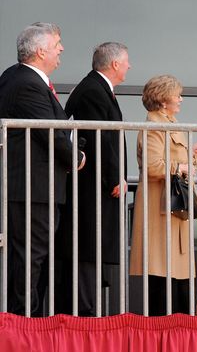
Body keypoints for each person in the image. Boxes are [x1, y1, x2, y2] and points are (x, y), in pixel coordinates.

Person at [0, 23, 84, 316]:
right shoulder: (27, 83)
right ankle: (23, 324)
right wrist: (76, 157)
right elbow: (50, 134)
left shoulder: (18, 77)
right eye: (57, 43)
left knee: (29, 257)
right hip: (32, 190)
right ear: (40, 51)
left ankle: (24, 320)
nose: (61, 49)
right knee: (30, 258)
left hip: (33, 189)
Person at [54, 42, 130, 316]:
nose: (129, 66)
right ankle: (83, 313)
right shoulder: (93, 91)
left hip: (94, 184)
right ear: (115, 64)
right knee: (87, 245)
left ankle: (86, 309)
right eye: (127, 61)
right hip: (91, 187)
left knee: (91, 246)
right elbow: (100, 139)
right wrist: (115, 177)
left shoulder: (96, 88)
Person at [128, 75, 197, 315]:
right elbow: (152, 165)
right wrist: (179, 166)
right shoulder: (154, 126)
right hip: (160, 210)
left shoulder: (169, 123)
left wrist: (191, 157)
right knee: (162, 272)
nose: (181, 99)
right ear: (163, 100)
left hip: (173, 208)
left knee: (176, 274)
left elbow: (173, 163)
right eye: (177, 95)